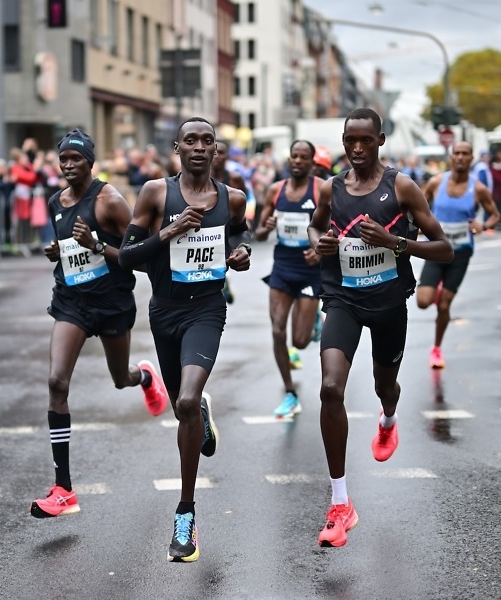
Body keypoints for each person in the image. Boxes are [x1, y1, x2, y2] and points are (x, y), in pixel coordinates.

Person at [307, 108, 454, 548]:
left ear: (381, 140)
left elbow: (444, 249)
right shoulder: (332, 188)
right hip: (343, 300)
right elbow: (316, 231)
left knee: (384, 385)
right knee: (330, 388)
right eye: (349, 140)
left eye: (365, 140)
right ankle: (340, 503)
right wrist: (322, 246)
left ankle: (388, 418)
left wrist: (395, 242)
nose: (356, 148)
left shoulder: (401, 186)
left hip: (389, 303)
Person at [119, 117, 251, 562]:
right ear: (177, 147)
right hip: (165, 312)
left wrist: (241, 254)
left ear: (216, 149)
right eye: (190, 140)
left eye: (206, 141)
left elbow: (239, 236)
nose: (199, 147)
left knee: (186, 402)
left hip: (207, 310)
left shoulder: (233, 198)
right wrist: (168, 232)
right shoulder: (157, 193)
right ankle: (200, 414)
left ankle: (186, 515)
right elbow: (126, 257)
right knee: (184, 406)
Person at [30, 128, 169, 519]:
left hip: (111, 303)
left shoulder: (109, 201)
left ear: (90, 162)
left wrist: (95, 244)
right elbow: (68, 250)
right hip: (71, 301)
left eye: (77, 159)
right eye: (64, 160)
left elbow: (139, 256)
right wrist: (57, 251)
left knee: (118, 378)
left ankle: (142, 377)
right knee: (57, 382)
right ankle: (64, 489)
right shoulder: (56, 200)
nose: (69, 165)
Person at [254, 140, 325, 418]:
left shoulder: (320, 190)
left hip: (310, 270)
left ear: (311, 162)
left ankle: (314, 321)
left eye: (303, 157)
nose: (297, 161)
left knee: (299, 342)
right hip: (282, 267)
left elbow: (335, 228)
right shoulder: (276, 190)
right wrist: (266, 226)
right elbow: (258, 233)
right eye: (293, 156)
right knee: (276, 331)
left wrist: (319, 251)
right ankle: (289, 392)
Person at [416, 141, 499, 368]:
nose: (461, 157)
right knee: (423, 301)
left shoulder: (478, 188)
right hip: (435, 249)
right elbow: (416, 207)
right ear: (451, 158)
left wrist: (483, 225)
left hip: (460, 253)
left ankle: (436, 349)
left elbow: (494, 214)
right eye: (457, 153)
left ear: (471, 159)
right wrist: (421, 225)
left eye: (465, 154)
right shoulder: (436, 182)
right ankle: (437, 289)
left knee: (444, 306)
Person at [210, 139, 248, 304]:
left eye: (222, 152)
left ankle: (224, 282)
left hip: (230, 227)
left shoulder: (235, 178)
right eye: (215, 151)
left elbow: (243, 202)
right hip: (210, 229)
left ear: (228, 156)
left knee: (227, 257)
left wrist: (245, 221)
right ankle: (223, 283)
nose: (218, 156)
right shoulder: (200, 179)